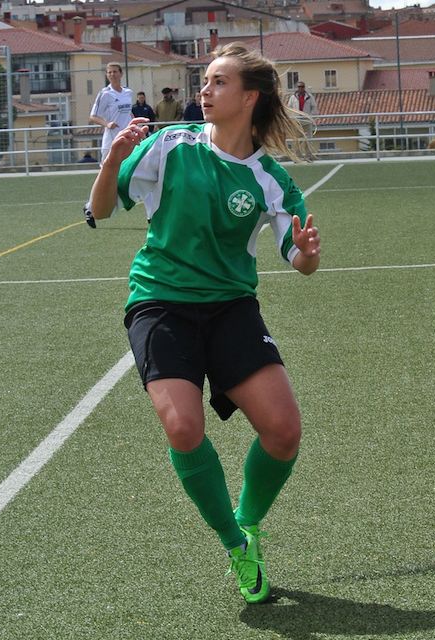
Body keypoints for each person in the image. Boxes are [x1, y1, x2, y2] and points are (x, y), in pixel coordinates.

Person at [88, 43, 320, 604]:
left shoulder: (269, 178)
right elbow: (101, 209)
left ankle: (249, 521)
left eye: (219, 82)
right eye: (206, 80)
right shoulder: (170, 144)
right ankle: (236, 546)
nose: (205, 91)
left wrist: (308, 253)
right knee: (184, 428)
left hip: (231, 307)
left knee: (284, 432)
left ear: (250, 97)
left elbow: (299, 258)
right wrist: (112, 161)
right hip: (160, 302)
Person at [83, 62, 134, 229]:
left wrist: (134, 124)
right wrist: (107, 123)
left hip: (127, 139)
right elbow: (93, 116)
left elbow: (128, 113)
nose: (112, 74)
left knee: (135, 169)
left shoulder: (128, 92)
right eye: (109, 72)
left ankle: (150, 214)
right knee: (104, 175)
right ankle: (90, 208)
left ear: (121, 73)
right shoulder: (105, 94)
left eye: (115, 72)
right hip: (110, 141)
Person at [287, 81, 318, 161]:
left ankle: (308, 156)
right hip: (296, 122)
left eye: (302, 86)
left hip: (306, 121)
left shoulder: (309, 97)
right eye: (299, 87)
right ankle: (298, 157)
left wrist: (310, 117)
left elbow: (314, 107)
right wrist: (292, 118)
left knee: (308, 139)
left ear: (304, 87)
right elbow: (289, 108)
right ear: (297, 88)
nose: (300, 88)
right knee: (296, 140)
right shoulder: (293, 97)